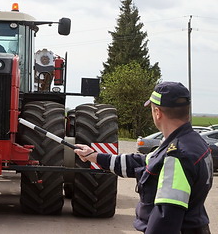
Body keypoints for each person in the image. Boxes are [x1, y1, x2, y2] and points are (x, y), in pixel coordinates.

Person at [74, 81, 213, 234]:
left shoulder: (176, 156)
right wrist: (95, 157)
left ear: (158, 113)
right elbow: (140, 163)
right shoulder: (193, 143)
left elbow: (165, 219)